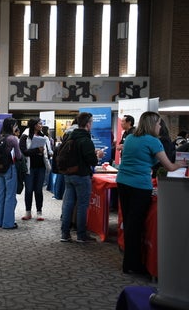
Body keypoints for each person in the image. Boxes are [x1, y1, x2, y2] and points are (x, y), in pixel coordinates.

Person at [117, 111, 185, 275]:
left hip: (123, 182)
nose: (160, 127)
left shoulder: (132, 138)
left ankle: (129, 262)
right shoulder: (153, 141)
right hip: (139, 186)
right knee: (136, 225)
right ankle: (133, 264)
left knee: (129, 222)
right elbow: (168, 166)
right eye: (159, 123)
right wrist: (182, 163)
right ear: (153, 124)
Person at [60, 112, 104, 243]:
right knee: (82, 205)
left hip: (68, 175)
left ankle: (65, 234)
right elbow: (92, 161)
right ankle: (81, 235)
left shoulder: (69, 136)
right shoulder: (86, 139)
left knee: (68, 204)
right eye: (91, 122)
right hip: (82, 176)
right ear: (88, 124)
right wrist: (98, 156)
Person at [19, 118, 50, 221]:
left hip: (41, 166)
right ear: (34, 125)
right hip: (29, 167)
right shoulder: (25, 136)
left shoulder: (44, 137)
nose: (41, 125)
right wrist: (36, 150)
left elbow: (48, 152)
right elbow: (23, 151)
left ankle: (39, 212)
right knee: (28, 190)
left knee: (38, 190)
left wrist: (45, 152)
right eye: (39, 123)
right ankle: (28, 211)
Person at [0, 117, 22, 229]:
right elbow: (19, 156)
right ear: (12, 126)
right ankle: (8, 223)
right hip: (9, 169)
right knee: (10, 196)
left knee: (1, 194)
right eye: (15, 125)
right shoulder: (13, 139)